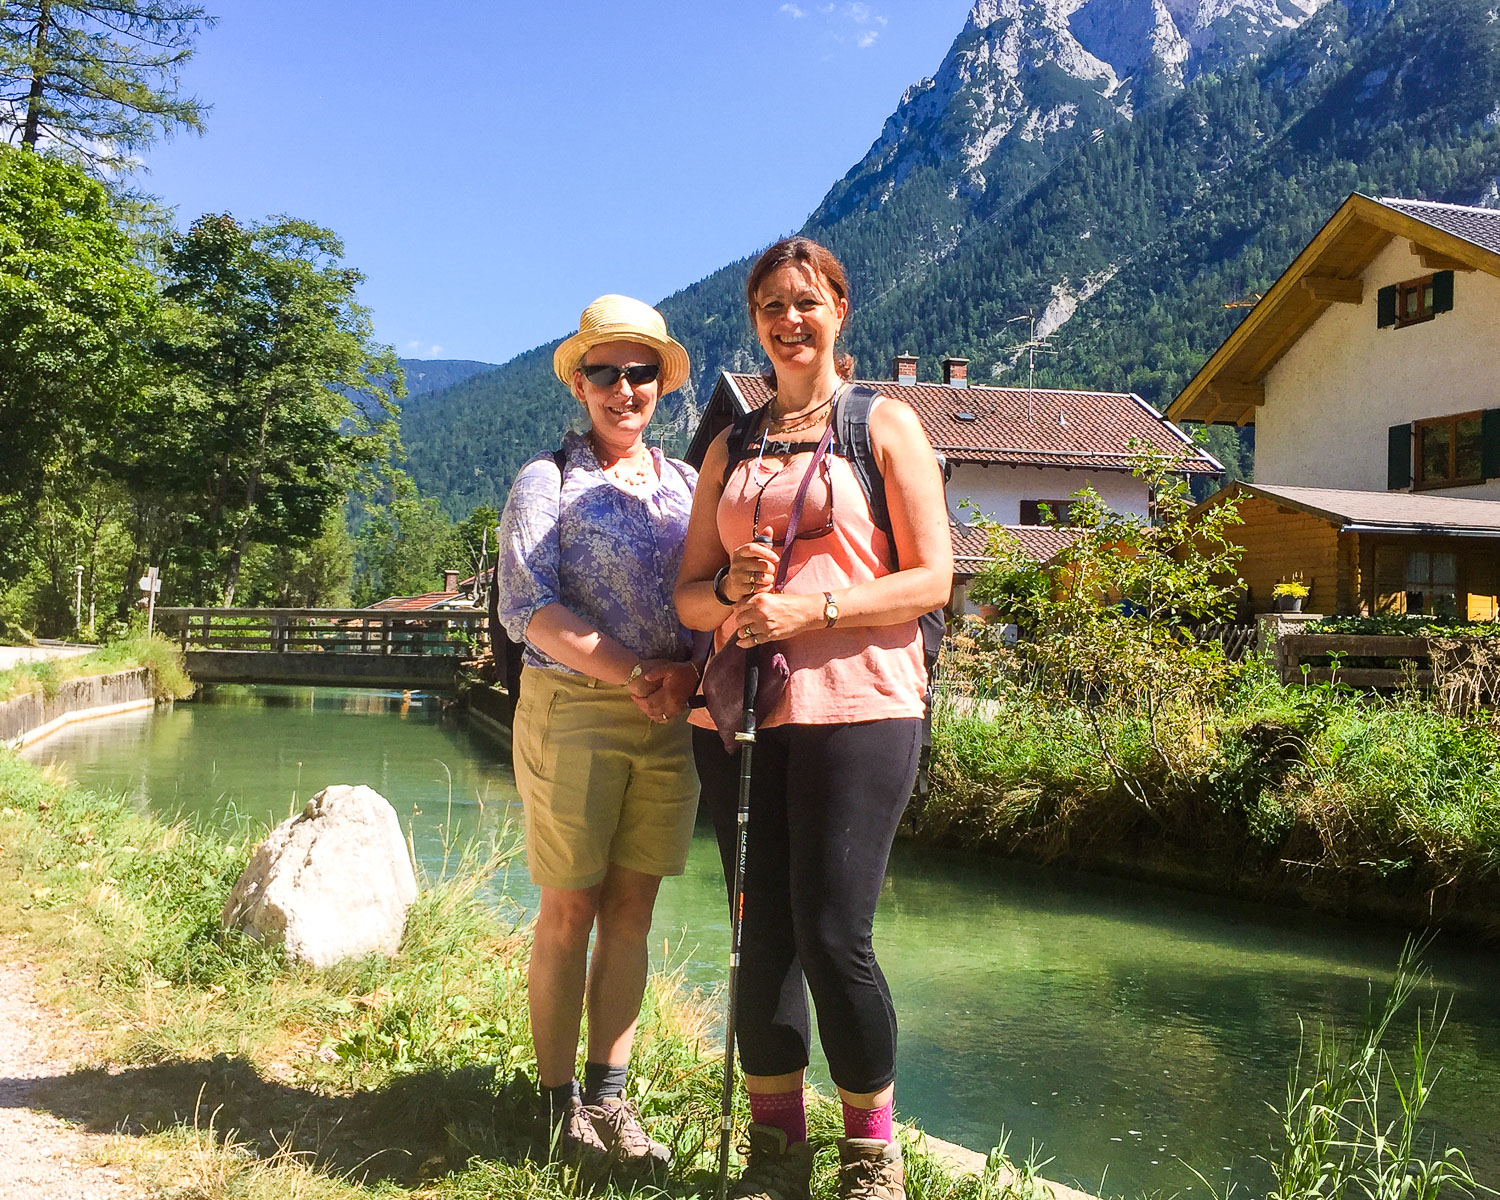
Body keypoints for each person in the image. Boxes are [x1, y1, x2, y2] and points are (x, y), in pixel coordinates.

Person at [674, 238, 952, 1200]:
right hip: (743, 715)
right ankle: (775, 1153)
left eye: (805, 303)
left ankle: (872, 1158)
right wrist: (729, 584)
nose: (789, 323)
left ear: (841, 310)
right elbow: (688, 601)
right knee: (761, 934)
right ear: (754, 324)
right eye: (769, 309)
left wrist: (814, 609)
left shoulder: (885, 425)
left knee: (836, 934)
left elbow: (932, 578)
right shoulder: (731, 443)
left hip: (862, 704)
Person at [495, 294, 701, 1175]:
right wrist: (633, 673)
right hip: (575, 708)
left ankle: (609, 1101)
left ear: (661, 383)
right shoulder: (548, 480)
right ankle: (554, 1108)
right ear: (579, 384)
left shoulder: (689, 484)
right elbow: (527, 607)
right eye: (606, 373)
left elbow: (707, 597)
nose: (625, 389)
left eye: (641, 372)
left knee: (632, 910)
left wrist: (690, 674)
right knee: (568, 909)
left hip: (670, 720)